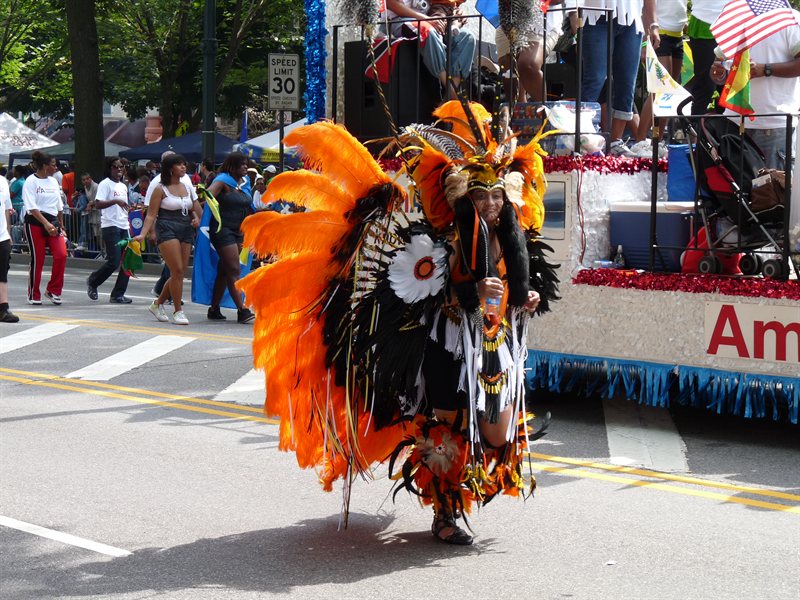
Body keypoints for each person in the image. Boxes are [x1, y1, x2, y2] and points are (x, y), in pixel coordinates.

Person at [237, 103, 558, 545]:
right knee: (446, 431)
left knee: (497, 433)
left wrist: (528, 299)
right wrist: (469, 296)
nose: (490, 203)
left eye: (497, 194)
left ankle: (472, 485)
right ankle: (445, 514)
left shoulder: (514, 239)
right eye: (480, 195)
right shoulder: (439, 245)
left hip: (495, 347)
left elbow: (521, 287)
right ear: (464, 198)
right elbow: (426, 292)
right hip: (448, 348)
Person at [710, 9, 800, 170]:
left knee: (774, 192)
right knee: (737, 192)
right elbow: (718, 64)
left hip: (774, 124)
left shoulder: (790, 18)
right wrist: (718, 73)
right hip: (733, 122)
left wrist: (765, 69)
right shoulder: (736, 17)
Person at [577, 0, 658, 157]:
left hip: (632, 18)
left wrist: (653, 24)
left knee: (627, 83)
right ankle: (584, 138)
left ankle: (615, 141)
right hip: (596, 14)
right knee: (595, 79)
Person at [134, 153, 201, 325]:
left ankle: (157, 304)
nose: (183, 167)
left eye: (184, 164)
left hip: (186, 229)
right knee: (177, 270)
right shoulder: (160, 189)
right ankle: (178, 311)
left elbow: (195, 208)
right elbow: (150, 215)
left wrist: (197, 219)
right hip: (167, 228)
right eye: (179, 164)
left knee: (179, 272)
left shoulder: (187, 187)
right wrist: (144, 233)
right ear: (170, 168)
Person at [384, 0, 477, 99]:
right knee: (427, 30)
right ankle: (454, 94)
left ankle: (449, 97)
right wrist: (427, 19)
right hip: (401, 20)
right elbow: (391, 4)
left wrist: (456, 12)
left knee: (467, 36)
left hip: (433, 20)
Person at [205, 152, 255, 323]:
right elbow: (208, 194)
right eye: (241, 164)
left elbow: (250, 208)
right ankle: (242, 310)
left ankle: (214, 308)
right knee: (234, 269)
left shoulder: (245, 184)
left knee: (225, 270)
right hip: (222, 229)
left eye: (246, 164)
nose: (245, 167)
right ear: (232, 166)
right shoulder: (223, 180)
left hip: (238, 231)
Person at [86, 158, 134, 304]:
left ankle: (118, 294)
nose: (119, 169)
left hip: (123, 225)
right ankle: (93, 281)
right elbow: (98, 204)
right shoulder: (105, 184)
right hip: (110, 225)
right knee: (114, 261)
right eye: (115, 167)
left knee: (128, 261)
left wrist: (128, 208)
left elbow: (122, 205)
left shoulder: (123, 186)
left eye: (121, 167)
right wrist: (115, 201)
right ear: (109, 168)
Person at [22, 150, 67, 305]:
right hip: (35, 222)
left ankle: (53, 290)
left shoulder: (54, 181)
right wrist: (45, 224)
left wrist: (61, 225)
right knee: (38, 259)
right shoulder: (31, 181)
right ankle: (33, 293)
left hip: (53, 222)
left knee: (61, 254)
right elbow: (32, 207)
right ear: (44, 166)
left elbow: (59, 206)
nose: (56, 168)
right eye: (53, 165)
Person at [687, 0, 727, 116]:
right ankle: (696, 130)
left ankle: (726, 131)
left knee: (729, 87)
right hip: (705, 25)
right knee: (706, 86)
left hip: (735, 24)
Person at [0, 172, 18, 322]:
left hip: (2, 236)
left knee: (2, 272)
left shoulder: (2, 182)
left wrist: (8, 232)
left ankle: (3, 308)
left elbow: (6, 209)